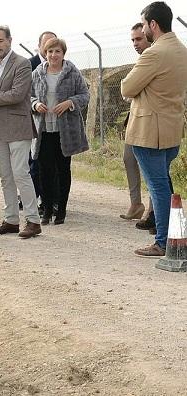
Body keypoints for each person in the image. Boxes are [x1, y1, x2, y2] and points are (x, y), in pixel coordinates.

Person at [121, 1, 187, 256]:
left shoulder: (154, 53)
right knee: (163, 183)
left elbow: (126, 88)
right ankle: (173, 238)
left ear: (153, 24)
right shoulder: (182, 50)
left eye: (145, 24)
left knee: (158, 187)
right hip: (171, 130)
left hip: (149, 131)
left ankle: (163, 242)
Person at [0, 25, 41, 238]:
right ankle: (11, 219)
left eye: (0, 41)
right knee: (5, 176)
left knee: (21, 173)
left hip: (18, 127)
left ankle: (33, 220)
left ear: (10, 40)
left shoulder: (22, 64)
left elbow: (16, 94)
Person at [30, 37, 90, 225]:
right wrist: (35, 104)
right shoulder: (38, 73)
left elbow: (85, 95)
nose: (53, 55)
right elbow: (28, 96)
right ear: (45, 53)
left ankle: (61, 210)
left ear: (63, 53)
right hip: (43, 130)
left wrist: (69, 103)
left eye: (57, 51)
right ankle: (47, 209)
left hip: (65, 131)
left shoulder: (72, 72)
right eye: (50, 52)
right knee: (44, 170)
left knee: (63, 170)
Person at [120, 23, 151, 222]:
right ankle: (136, 203)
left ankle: (152, 210)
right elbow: (128, 90)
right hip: (134, 118)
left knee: (151, 165)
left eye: (138, 39)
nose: (135, 43)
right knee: (128, 158)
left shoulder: (154, 58)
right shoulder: (142, 60)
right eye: (132, 40)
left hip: (150, 121)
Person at [28, 31, 57, 216]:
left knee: (54, 164)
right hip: (35, 122)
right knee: (35, 162)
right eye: (46, 45)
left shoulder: (63, 66)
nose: (50, 49)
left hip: (57, 124)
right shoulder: (30, 65)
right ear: (39, 46)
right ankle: (35, 198)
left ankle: (53, 200)